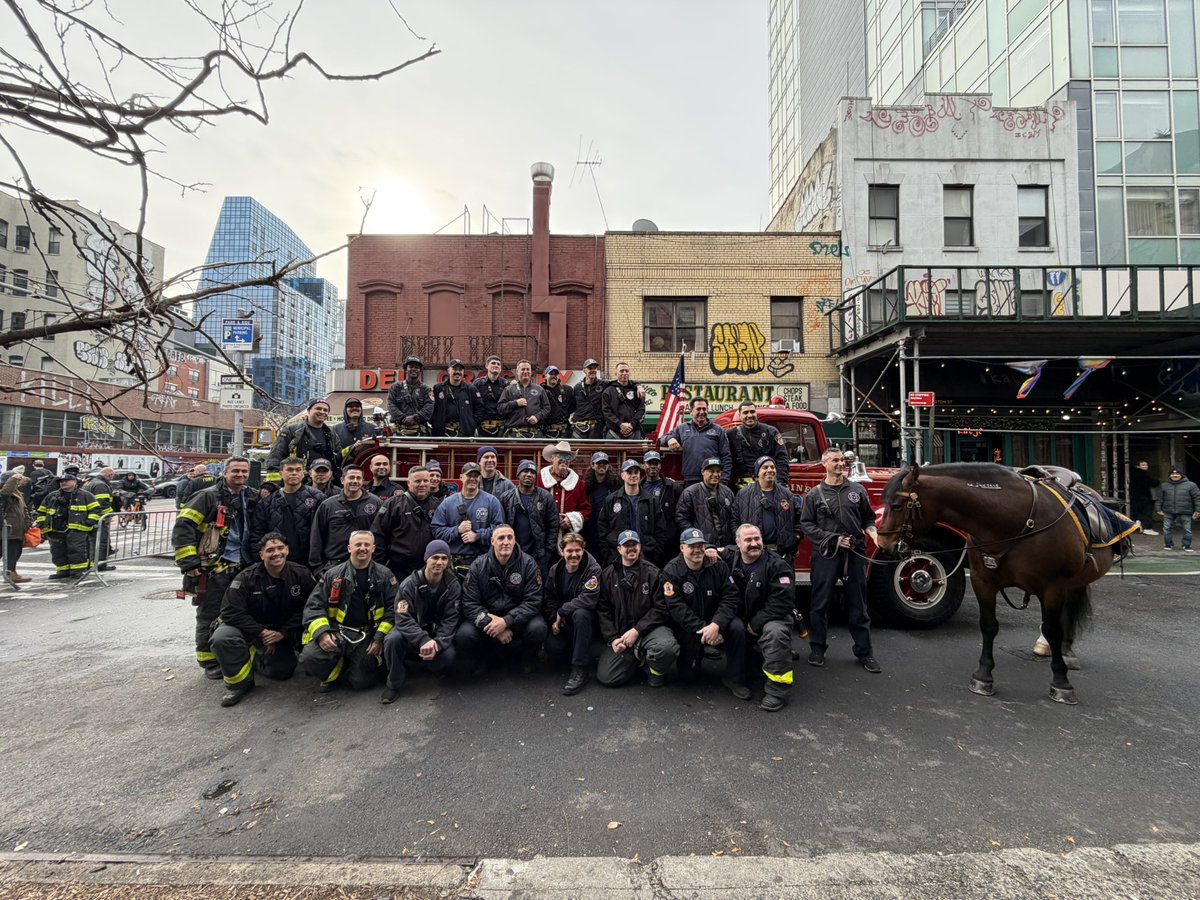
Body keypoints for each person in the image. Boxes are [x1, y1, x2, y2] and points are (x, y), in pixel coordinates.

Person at [172, 457, 257, 677]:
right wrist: (189, 561)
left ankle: (237, 653)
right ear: (224, 473)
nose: (240, 475)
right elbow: (184, 527)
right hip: (214, 568)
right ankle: (208, 661)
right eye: (235, 471)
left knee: (240, 611)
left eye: (244, 471)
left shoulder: (250, 496)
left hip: (242, 564)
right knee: (209, 613)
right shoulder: (207, 497)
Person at [210, 531, 315, 707]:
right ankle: (239, 685)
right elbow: (230, 611)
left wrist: (282, 633)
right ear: (261, 554)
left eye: (280, 548)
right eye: (270, 550)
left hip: (279, 633)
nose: (276, 553)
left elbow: (309, 608)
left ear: (287, 550)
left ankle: (256, 657)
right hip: (249, 629)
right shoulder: (246, 578)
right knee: (223, 638)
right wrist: (262, 632)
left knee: (283, 671)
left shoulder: (301, 574)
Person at [798, 447, 880, 673]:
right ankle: (817, 648)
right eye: (835, 460)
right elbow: (807, 525)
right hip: (826, 554)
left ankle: (865, 652)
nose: (840, 463)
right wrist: (833, 539)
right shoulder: (814, 494)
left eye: (842, 460)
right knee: (819, 604)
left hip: (854, 554)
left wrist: (872, 532)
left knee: (859, 605)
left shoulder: (857, 490)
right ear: (824, 464)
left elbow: (868, 518)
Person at [299, 530, 397, 692]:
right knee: (310, 657)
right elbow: (313, 606)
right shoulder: (333, 575)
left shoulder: (385, 575)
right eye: (358, 544)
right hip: (337, 632)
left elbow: (394, 608)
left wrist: (379, 638)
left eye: (367, 545)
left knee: (360, 682)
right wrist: (323, 633)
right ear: (349, 548)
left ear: (373, 548)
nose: (362, 548)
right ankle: (333, 673)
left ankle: (353, 666)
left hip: (367, 636)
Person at [661, 527, 744, 698]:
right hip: (690, 626)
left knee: (737, 628)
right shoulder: (671, 570)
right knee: (688, 677)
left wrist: (716, 625)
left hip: (715, 621)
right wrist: (704, 630)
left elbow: (731, 597)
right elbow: (676, 608)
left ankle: (735, 678)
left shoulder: (718, 566)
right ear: (682, 548)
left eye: (700, 545)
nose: (697, 550)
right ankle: (697, 654)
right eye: (692, 546)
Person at [722, 524, 796, 712]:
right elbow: (713, 550)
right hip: (744, 617)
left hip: (772, 616)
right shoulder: (731, 557)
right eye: (748, 540)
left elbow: (782, 602)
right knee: (732, 626)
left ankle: (777, 690)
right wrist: (710, 550)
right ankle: (736, 676)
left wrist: (755, 624)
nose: (754, 543)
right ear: (738, 543)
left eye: (757, 539)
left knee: (775, 633)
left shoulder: (777, 565)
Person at [456, 525, 547, 675]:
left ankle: (528, 658)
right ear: (492, 541)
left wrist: (506, 621)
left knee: (538, 628)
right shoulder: (478, 565)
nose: (506, 542)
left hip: (517, 617)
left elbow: (534, 601)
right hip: (490, 617)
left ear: (514, 540)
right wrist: (492, 624)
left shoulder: (529, 564)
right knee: (465, 634)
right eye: (501, 538)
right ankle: (485, 657)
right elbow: (469, 603)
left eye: (509, 537)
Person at [380, 539, 461, 704]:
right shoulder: (408, 585)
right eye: (435, 557)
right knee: (392, 640)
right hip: (413, 633)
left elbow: (451, 619)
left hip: (436, 634)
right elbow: (402, 618)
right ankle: (394, 683)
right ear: (426, 559)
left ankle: (430, 666)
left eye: (444, 558)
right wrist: (422, 639)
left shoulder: (453, 585)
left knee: (449, 656)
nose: (439, 562)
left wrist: (437, 643)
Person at [596, 530, 678, 687]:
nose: (631, 549)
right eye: (626, 546)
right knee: (607, 677)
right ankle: (637, 658)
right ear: (619, 549)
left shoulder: (653, 573)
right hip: (622, 635)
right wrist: (612, 638)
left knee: (667, 648)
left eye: (634, 544)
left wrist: (637, 630)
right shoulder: (607, 574)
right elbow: (603, 610)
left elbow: (662, 608)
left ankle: (654, 669)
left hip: (648, 631)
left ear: (640, 547)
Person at [544, 532, 603, 696]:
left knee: (581, 614)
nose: (574, 554)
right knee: (552, 649)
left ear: (583, 550)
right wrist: (553, 620)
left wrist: (562, 611)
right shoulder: (555, 570)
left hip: (587, 620)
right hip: (564, 621)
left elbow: (588, 599)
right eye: (569, 551)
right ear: (562, 551)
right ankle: (576, 652)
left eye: (578, 550)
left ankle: (580, 669)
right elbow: (549, 598)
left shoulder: (593, 569)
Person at [431, 461, 505, 568]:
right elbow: (436, 530)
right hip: (453, 563)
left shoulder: (492, 501)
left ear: (480, 478)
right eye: (469, 475)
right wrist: (457, 530)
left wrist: (477, 536)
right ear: (461, 477)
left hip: (483, 563)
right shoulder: (447, 503)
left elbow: (500, 530)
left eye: (476, 476)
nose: (473, 479)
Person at [371, 465, 439, 583]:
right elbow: (377, 535)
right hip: (397, 570)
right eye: (417, 481)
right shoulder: (393, 504)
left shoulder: (437, 505)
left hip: (427, 569)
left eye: (425, 481)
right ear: (408, 483)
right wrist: (382, 566)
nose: (422, 484)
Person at [309, 465, 381, 573]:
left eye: (358, 478)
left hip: (367, 564)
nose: (355, 481)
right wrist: (317, 567)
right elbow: (316, 537)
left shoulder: (376, 503)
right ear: (342, 480)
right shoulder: (328, 505)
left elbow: (383, 534)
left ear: (362, 481)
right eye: (351, 477)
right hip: (335, 565)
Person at [251, 457, 324, 563]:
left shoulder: (317, 498)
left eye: (298, 470)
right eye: (289, 470)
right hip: (276, 560)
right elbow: (257, 534)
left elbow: (325, 531)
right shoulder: (267, 502)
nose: (294, 473)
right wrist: (259, 561)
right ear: (281, 473)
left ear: (303, 474)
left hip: (307, 561)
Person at [597, 459, 667, 566]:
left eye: (636, 472)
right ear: (622, 475)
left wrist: (654, 553)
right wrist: (608, 554)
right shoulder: (611, 500)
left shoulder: (651, 501)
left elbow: (660, 530)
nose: (633, 475)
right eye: (629, 472)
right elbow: (602, 529)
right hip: (617, 557)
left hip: (646, 557)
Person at [500, 460, 560, 577]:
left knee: (537, 588)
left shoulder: (546, 497)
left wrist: (548, 551)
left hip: (538, 555)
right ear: (518, 474)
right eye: (525, 471)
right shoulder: (506, 497)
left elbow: (554, 525)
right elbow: (500, 525)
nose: (529, 474)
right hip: (512, 553)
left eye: (532, 472)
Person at [734, 457, 802, 560]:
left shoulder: (787, 494)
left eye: (772, 467)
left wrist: (793, 540)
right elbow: (734, 521)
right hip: (753, 554)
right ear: (758, 472)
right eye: (765, 467)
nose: (770, 470)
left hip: (782, 554)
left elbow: (799, 521)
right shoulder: (743, 495)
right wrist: (743, 543)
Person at [35, 472, 100, 579]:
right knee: (58, 551)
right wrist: (42, 523)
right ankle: (62, 570)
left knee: (76, 550)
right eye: (61, 481)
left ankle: (77, 571)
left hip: (78, 529)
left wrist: (90, 521)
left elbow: (96, 510)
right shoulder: (52, 496)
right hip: (56, 530)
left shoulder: (85, 495)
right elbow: (42, 511)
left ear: (74, 482)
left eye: (66, 481)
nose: (63, 483)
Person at [662, 397, 732, 486]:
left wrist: (724, 480)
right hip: (690, 480)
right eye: (698, 409)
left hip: (712, 479)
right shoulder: (682, 428)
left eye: (704, 409)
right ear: (691, 411)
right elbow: (662, 438)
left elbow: (726, 457)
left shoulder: (718, 430)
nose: (702, 412)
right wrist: (670, 439)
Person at [265, 399, 339, 482]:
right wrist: (273, 483)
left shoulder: (331, 433)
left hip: (323, 483)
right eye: (318, 408)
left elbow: (338, 456)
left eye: (325, 410)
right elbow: (275, 456)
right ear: (308, 411)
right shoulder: (292, 430)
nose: (322, 412)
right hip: (297, 483)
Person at [676, 457, 737, 550]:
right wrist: (697, 540)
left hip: (726, 547)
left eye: (718, 471)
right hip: (701, 547)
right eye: (711, 471)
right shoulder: (690, 492)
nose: (716, 474)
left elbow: (734, 518)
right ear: (702, 472)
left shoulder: (728, 492)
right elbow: (682, 519)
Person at [727, 403, 790, 487]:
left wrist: (781, 484)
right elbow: (726, 460)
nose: (749, 415)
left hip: (766, 485)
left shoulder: (771, 432)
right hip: (740, 488)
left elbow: (782, 459)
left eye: (752, 412)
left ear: (756, 413)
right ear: (740, 415)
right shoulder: (731, 434)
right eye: (745, 413)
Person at [539, 440, 590, 537]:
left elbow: (586, 510)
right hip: (543, 533)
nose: (564, 460)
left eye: (567, 457)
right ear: (552, 458)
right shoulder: (539, 479)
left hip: (567, 536)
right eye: (560, 456)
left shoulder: (578, 484)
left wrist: (571, 519)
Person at [641, 450, 683, 552]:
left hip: (668, 539)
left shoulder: (672, 487)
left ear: (660, 465)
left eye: (656, 463)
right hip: (646, 537)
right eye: (649, 463)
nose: (653, 466)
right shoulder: (637, 487)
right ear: (643, 465)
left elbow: (681, 513)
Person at [499, 359, 550, 438]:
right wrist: (515, 403)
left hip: (535, 434)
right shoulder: (509, 389)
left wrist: (538, 417)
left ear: (531, 372)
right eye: (523, 369)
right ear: (517, 371)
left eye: (528, 369)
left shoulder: (539, 389)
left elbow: (547, 408)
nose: (526, 371)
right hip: (513, 435)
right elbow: (500, 408)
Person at [431, 359, 481, 437]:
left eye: (460, 370)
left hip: (464, 434)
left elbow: (480, 409)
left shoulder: (471, 389)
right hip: (441, 433)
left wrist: (471, 424)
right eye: (454, 369)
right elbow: (431, 408)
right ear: (448, 371)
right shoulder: (438, 388)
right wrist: (436, 424)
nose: (457, 372)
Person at [1155, 467, 1200, 551]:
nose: (1174, 475)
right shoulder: (1164, 485)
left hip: (1185, 511)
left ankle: (1186, 545)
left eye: (1177, 474)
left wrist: (1198, 510)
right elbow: (1159, 498)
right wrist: (1158, 509)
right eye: (1172, 474)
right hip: (1168, 511)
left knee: (1187, 529)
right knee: (1167, 528)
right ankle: (1168, 544)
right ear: (1169, 475)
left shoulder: (1191, 485)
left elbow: (1197, 498)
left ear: (1181, 475)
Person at [387, 356, 434, 435]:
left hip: (420, 432)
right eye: (411, 367)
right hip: (400, 432)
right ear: (405, 369)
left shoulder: (426, 389)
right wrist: (403, 418)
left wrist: (415, 418)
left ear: (420, 370)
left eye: (416, 367)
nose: (414, 369)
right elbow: (390, 404)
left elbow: (430, 406)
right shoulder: (395, 387)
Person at [583, 451, 620, 551]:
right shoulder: (586, 486)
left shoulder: (616, 484)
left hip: (610, 528)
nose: (602, 466)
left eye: (605, 463)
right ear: (592, 465)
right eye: (599, 463)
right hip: (591, 529)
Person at [83, 467, 116, 571]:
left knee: (91, 542)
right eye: (112, 476)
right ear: (109, 475)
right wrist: (108, 516)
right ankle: (100, 565)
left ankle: (90, 563)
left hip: (90, 517)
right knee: (101, 541)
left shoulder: (92, 482)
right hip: (99, 518)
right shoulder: (101, 485)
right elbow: (102, 503)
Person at [601, 363, 645, 439]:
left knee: (635, 451)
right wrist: (620, 424)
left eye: (627, 371)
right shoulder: (608, 391)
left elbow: (641, 409)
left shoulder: (637, 390)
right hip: (613, 432)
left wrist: (631, 424)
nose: (624, 373)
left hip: (634, 431)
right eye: (621, 371)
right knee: (611, 451)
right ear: (616, 373)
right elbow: (606, 411)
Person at [1, 469, 31, 582]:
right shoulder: (5, 492)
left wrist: (27, 523)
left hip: (16, 529)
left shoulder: (18, 494)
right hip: (8, 530)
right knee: (8, 552)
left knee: (15, 552)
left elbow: (24, 510)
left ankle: (11, 573)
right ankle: (10, 573)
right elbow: (4, 494)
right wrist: (13, 479)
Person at [333, 397, 378, 462]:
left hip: (367, 468)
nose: (354, 408)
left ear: (361, 409)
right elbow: (334, 455)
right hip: (344, 469)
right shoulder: (335, 430)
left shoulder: (373, 429)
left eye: (357, 406)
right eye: (350, 406)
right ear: (345, 410)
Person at [475, 354, 509, 438]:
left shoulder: (506, 384)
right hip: (482, 426)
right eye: (493, 363)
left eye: (498, 364)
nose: (496, 365)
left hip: (501, 427)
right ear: (486, 366)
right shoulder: (478, 383)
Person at [571, 359, 605, 439]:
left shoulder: (603, 384)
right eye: (590, 368)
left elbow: (619, 383)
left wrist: (637, 385)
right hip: (579, 426)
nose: (593, 370)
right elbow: (572, 406)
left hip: (596, 427)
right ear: (584, 370)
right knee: (576, 449)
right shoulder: (577, 387)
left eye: (595, 368)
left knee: (595, 451)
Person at [541, 365, 574, 439]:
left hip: (564, 432)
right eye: (551, 374)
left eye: (555, 374)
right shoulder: (540, 391)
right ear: (545, 376)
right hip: (547, 432)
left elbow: (573, 407)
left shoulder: (567, 390)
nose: (553, 376)